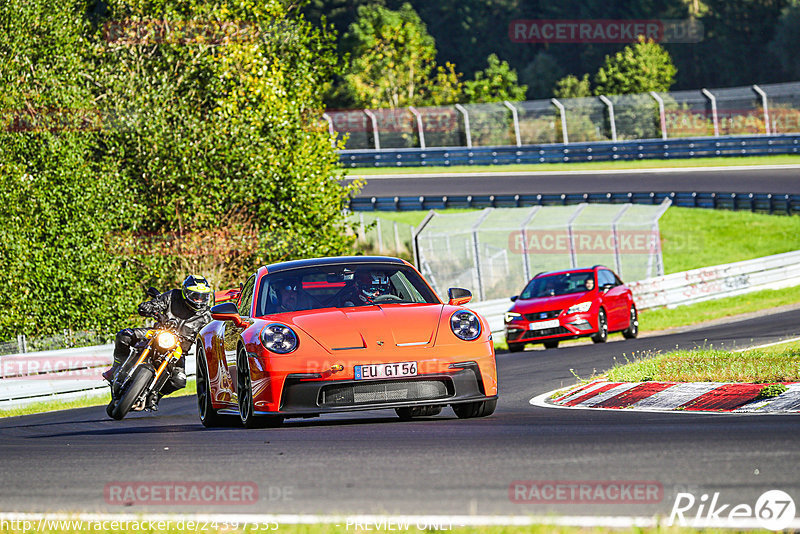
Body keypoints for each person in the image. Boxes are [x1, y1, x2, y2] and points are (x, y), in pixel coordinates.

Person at [103, 275, 213, 411]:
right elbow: (157, 303)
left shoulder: (207, 316)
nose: (199, 300)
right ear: (186, 293)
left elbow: (209, 334)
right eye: (195, 296)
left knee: (179, 381)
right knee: (124, 336)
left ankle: (155, 395)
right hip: (159, 333)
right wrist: (149, 307)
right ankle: (116, 367)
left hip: (179, 349)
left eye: (202, 296)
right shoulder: (173, 296)